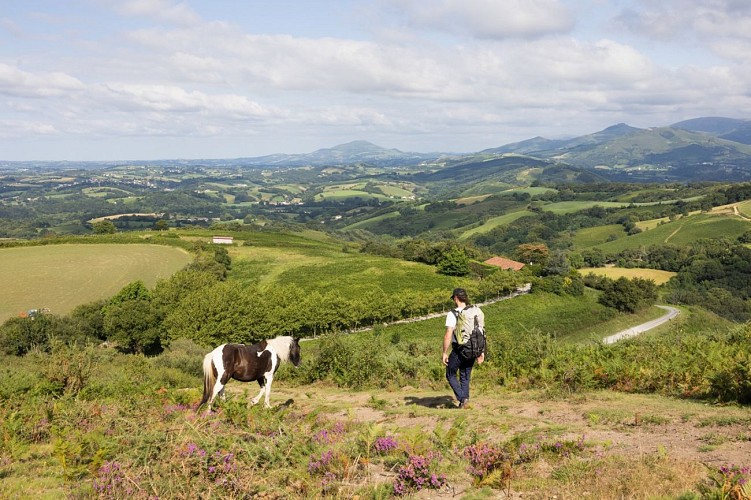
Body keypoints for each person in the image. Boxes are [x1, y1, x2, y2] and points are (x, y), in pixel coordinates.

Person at [442, 288, 484, 409]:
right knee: (465, 375)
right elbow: (480, 331)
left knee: (450, 374)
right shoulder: (475, 311)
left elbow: (448, 335)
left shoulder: (453, 314)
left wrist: (445, 352)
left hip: (459, 349)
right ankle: (464, 403)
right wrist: (481, 352)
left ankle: (462, 398)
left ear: (456, 298)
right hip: (473, 349)